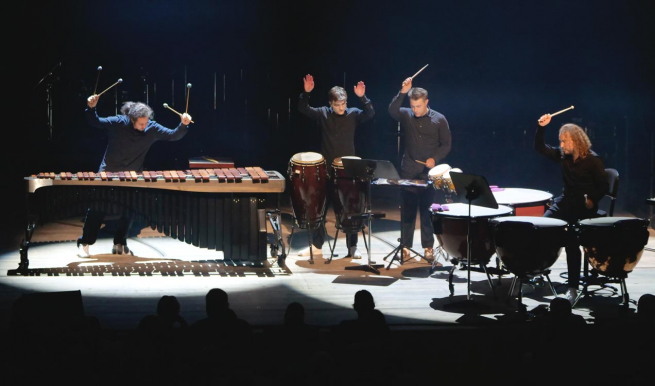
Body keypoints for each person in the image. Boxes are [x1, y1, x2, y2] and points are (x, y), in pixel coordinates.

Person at [77, 94, 192, 257]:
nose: (144, 126)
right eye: (141, 123)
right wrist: (91, 108)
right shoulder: (118, 122)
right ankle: (84, 243)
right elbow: (96, 122)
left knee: (129, 210)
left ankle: (120, 243)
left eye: (146, 122)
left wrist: (183, 125)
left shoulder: (151, 127)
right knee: (97, 208)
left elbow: (173, 135)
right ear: (132, 119)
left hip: (131, 175)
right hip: (108, 172)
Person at [297, 74, 375, 259]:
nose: (342, 107)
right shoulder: (323, 113)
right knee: (320, 209)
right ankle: (317, 246)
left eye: (344, 103)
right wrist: (306, 93)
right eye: (338, 104)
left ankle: (352, 247)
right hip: (327, 171)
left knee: (350, 210)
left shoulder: (354, 114)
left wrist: (363, 97)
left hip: (348, 171)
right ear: (331, 103)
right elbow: (303, 108)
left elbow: (370, 113)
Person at [535, 113, 608, 304]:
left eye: (564, 141)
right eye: (560, 141)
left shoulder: (593, 160)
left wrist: (592, 199)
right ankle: (538, 270)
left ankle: (573, 288)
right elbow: (540, 148)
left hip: (584, 207)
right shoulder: (563, 156)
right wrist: (541, 127)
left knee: (571, 241)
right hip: (566, 201)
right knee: (542, 226)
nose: (561, 145)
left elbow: (603, 186)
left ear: (575, 141)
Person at [389, 77, 451, 261]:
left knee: (426, 212)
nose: (415, 110)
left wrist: (435, 158)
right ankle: (405, 246)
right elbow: (392, 110)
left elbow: (446, 145)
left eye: (418, 106)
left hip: (428, 174)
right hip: (408, 170)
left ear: (426, 102)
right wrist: (402, 92)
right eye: (413, 106)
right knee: (407, 211)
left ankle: (428, 247)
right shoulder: (407, 115)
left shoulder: (439, 120)